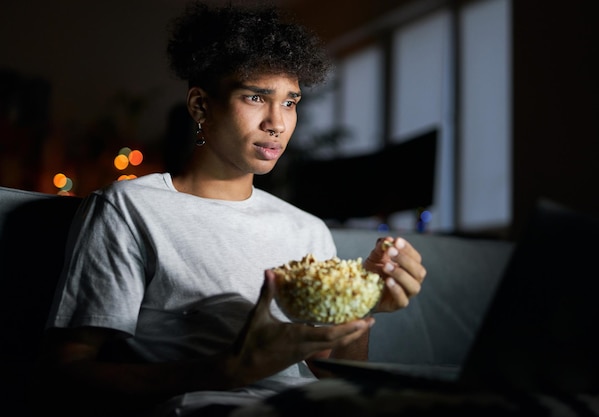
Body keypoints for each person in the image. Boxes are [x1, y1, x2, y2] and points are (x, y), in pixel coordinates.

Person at [31, 2, 427, 417]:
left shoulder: (307, 230)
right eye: (256, 97)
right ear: (201, 106)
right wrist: (225, 371)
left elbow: (336, 376)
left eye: (290, 102)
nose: (277, 122)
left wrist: (360, 300)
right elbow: (64, 373)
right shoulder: (130, 208)